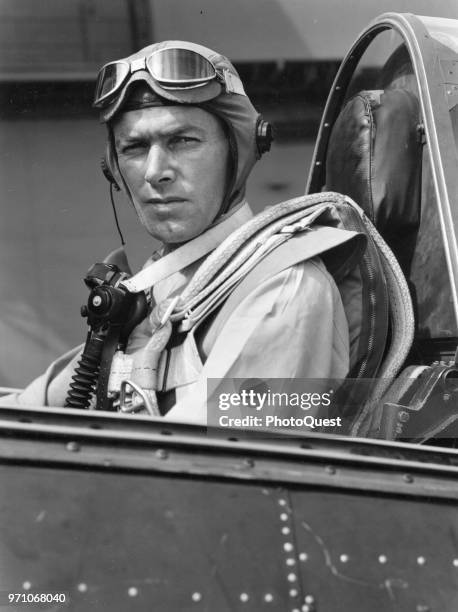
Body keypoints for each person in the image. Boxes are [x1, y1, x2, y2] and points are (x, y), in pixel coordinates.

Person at [3, 41, 361, 424]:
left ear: (237, 150)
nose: (155, 171)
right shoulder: (155, 294)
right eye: (135, 147)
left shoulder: (283, 287)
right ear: (114, 168)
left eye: (183, 141)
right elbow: (28, 408)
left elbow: (203, 467)